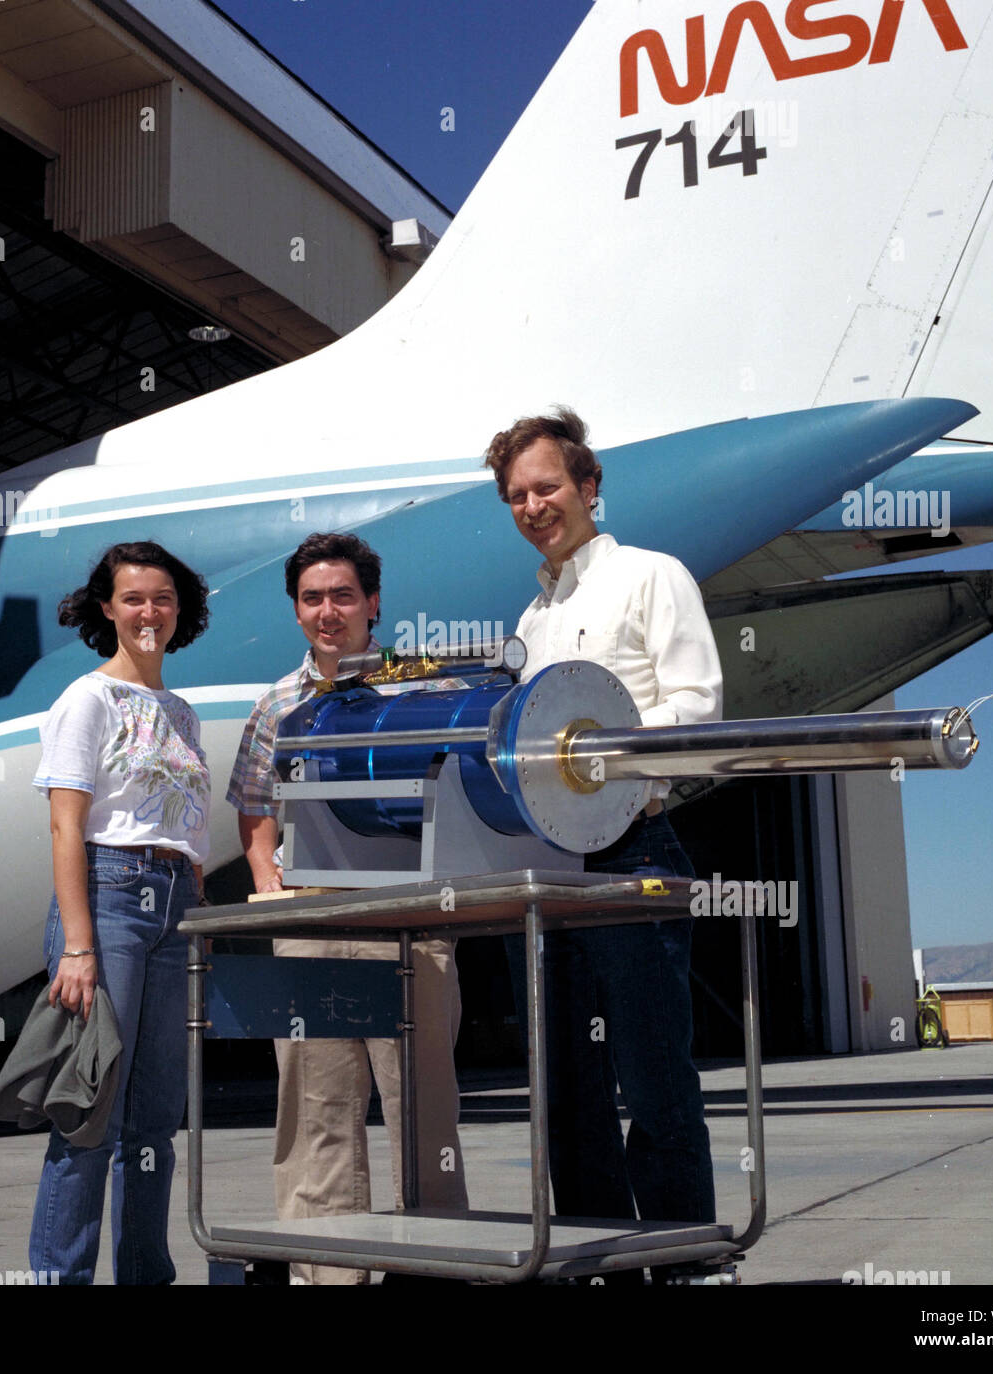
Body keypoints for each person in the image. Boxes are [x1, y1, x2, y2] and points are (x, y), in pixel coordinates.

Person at [484, 408, 722, 1262]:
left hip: (635, 853)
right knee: (564, 1086)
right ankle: (595, 1262)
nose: (533, 504)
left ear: (589, 487)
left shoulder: (653, 577)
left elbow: (696, 713)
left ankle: (679, 1258)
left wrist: (596, 765)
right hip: (547, 865)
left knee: (654, 1078)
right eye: (516, 494)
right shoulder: (530, 620)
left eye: (547, 486)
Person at [227, 531, 468, 1284]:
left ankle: (432, 1265)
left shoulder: (422, 687)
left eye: (342, 596)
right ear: (297, 611)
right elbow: (255, 808)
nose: (327, 611)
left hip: (410, 916)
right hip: (312, 922)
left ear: (373, 603)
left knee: (421, 1104)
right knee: (315, 1109)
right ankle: (324, 1271)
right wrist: (270, 884)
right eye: (311, 598)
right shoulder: (277, 703)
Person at [28, 540, 211, 1284]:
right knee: (90, 1113)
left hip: (174, 907)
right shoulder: (87, 699)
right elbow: (66, 825)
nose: (149, 612)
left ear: (180, 610)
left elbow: (186, 829)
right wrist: (78, 946)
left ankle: (145, 1273)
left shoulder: (182, 711)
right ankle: (60, 1276)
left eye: (162, 598)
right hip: (107, 902)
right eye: (133, 598)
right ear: (107, 607)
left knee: (156, 1121)